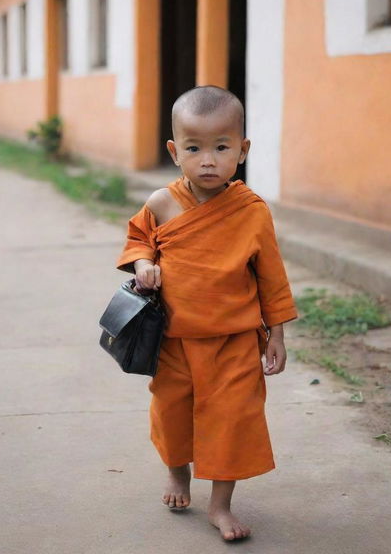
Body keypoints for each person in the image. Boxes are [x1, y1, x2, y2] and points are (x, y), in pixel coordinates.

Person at [116, 85, 297, 542]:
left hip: (234, 340)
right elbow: (139, 238)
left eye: (222, 147)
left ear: (243, 149)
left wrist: (276, 334)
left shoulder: (252, 212)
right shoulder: (162, 202)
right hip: (174, 341)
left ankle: (220, 505)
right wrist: (144, 263)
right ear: (176, 151)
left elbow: (272, 278)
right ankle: (178, 475)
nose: (209, 160)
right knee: (173, 414)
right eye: (195, 148)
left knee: (232, 420)